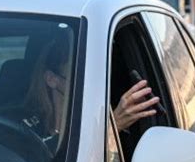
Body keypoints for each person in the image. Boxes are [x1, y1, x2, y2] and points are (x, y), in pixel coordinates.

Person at [23, 37, 159, 152]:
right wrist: (113, 126)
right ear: (52, 79)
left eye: (94, 73)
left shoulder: (95, 119)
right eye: (80, 72)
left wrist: (113, 126)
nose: (91, 81)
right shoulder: (24, 126)